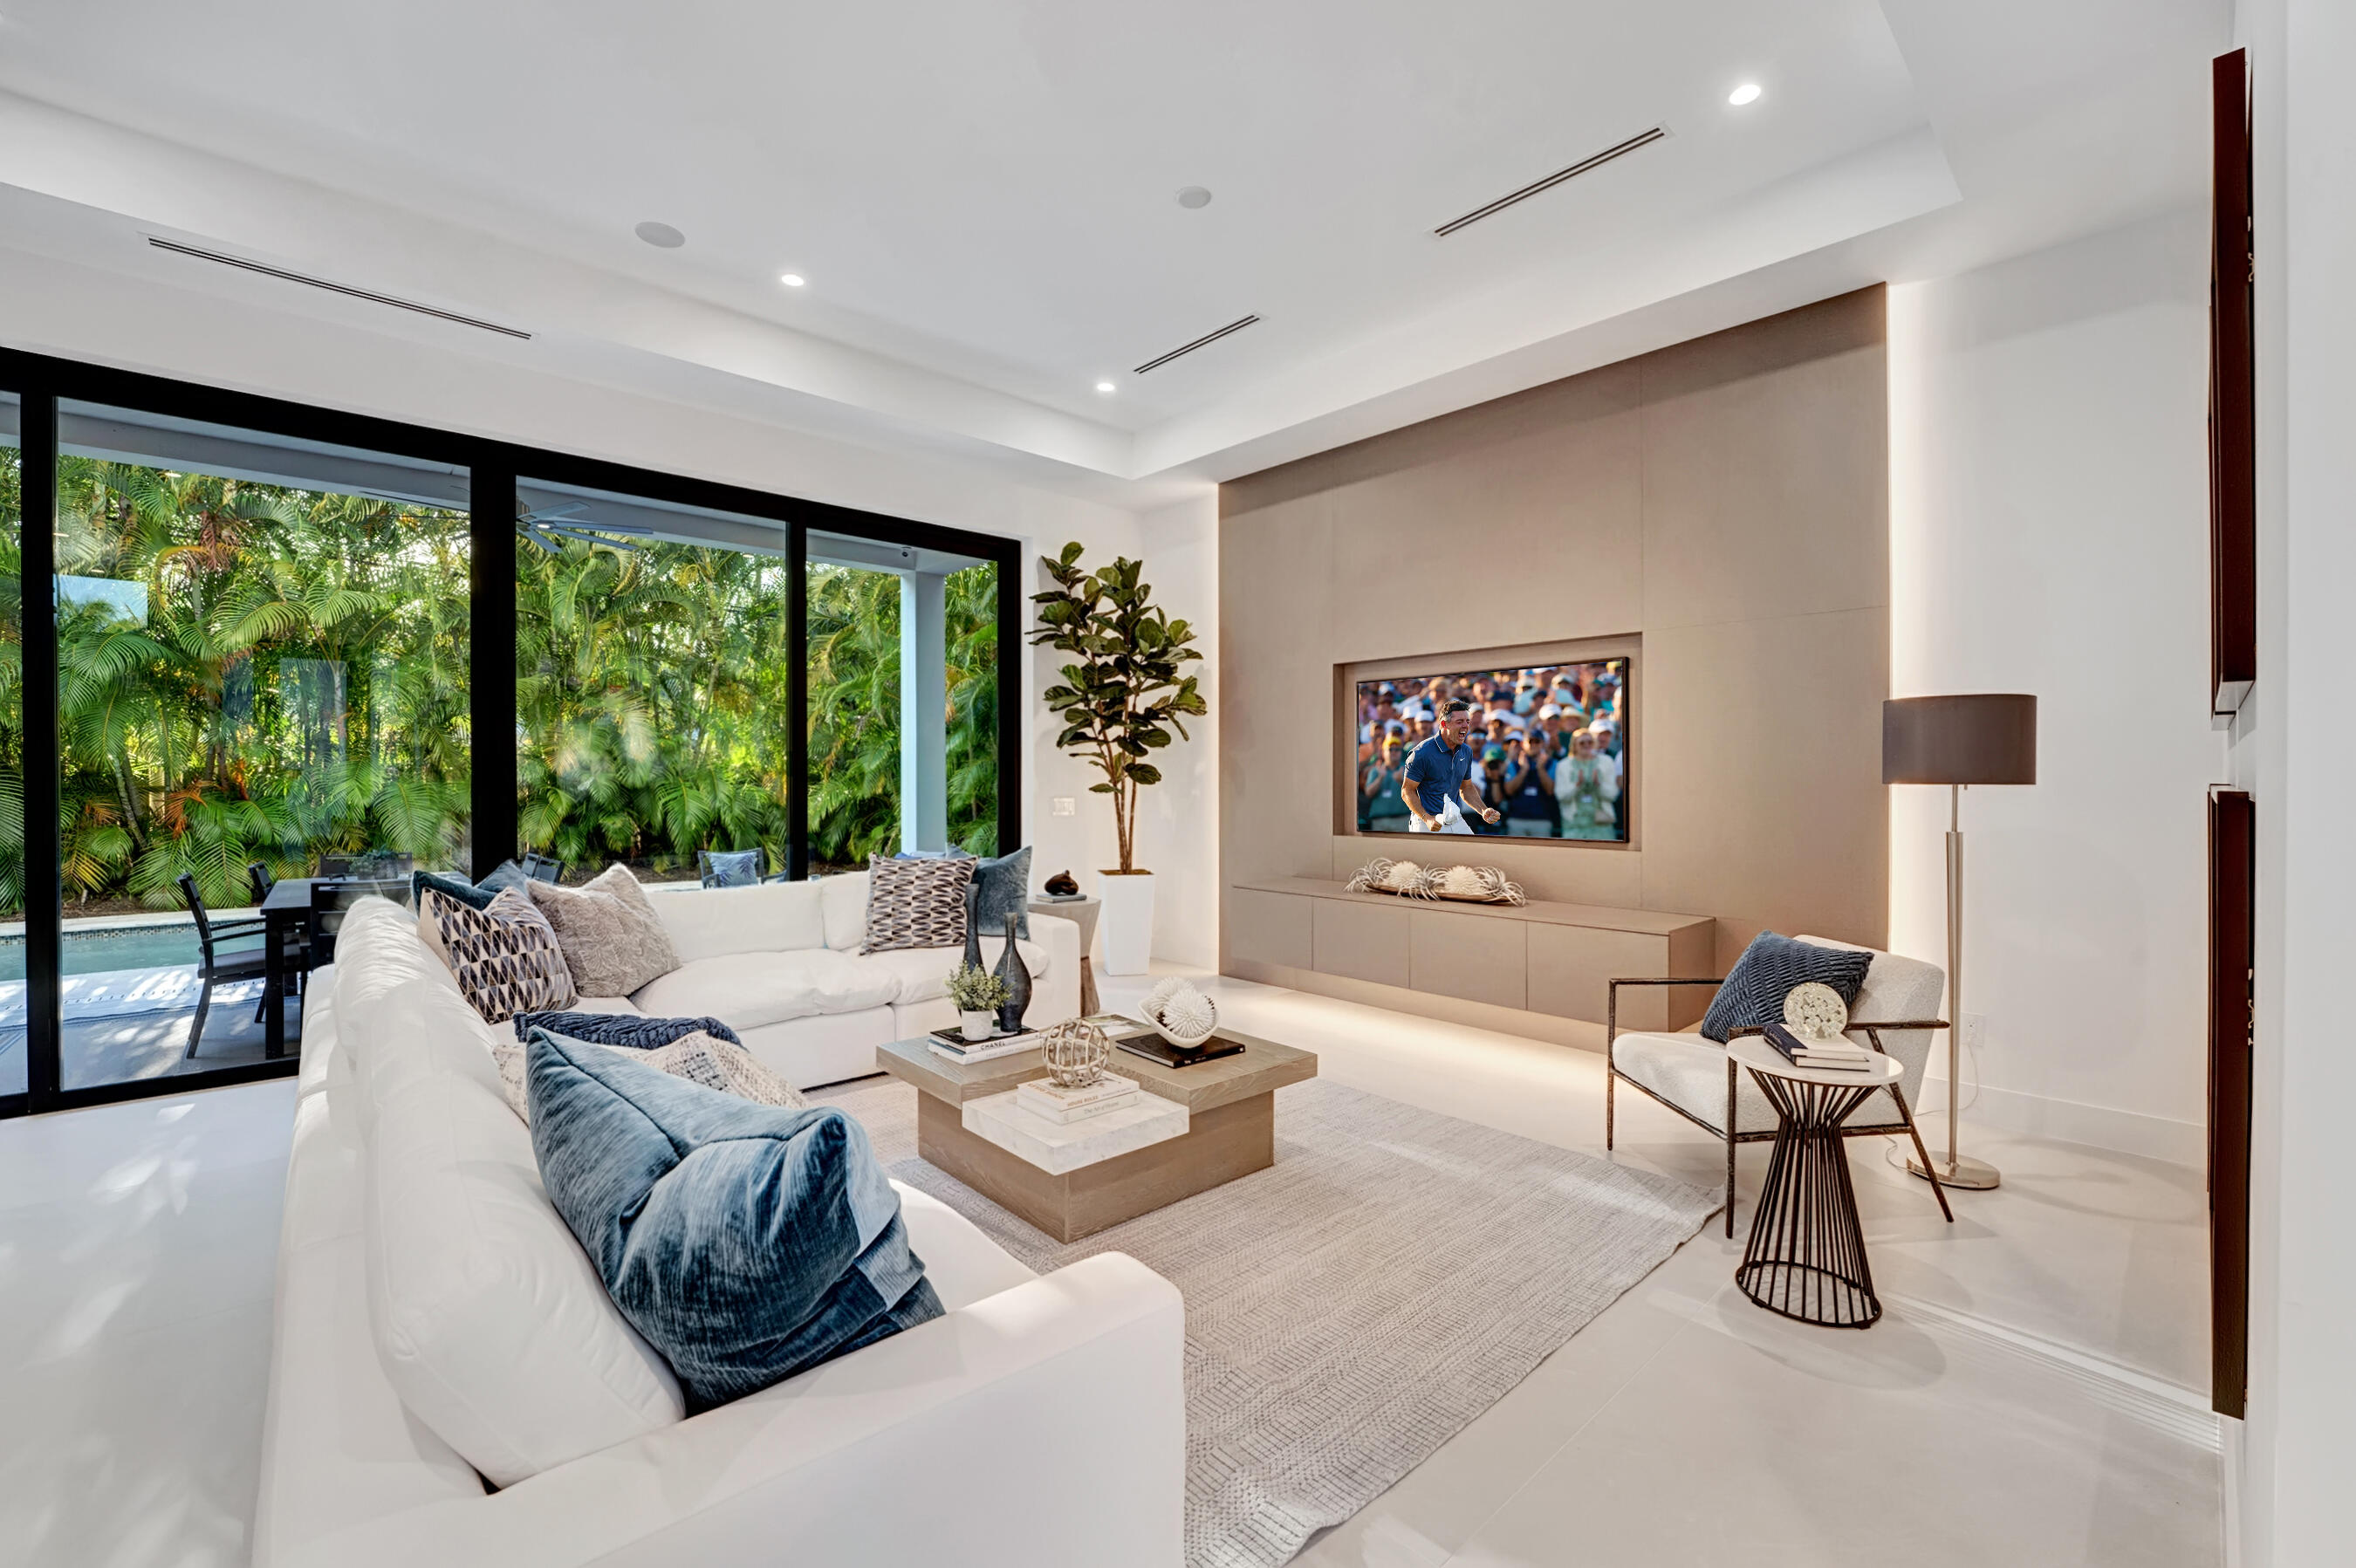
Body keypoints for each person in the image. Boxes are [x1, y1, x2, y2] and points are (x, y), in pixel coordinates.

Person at [1401, 699, 1500, 834]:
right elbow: (1407, 791)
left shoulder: (1466, 751)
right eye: (1459, 722)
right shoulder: (1422, 753)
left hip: (1455, 819)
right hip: (1426, 822)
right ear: (1444, 724)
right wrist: (1427, 818)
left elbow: (1466, 788)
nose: (1465, 726)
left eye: (1467, 721)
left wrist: (1483, 810)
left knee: (1473, 854)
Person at [1554, 725, 1622, 839]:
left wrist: (1598, 785)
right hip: (1574, 826)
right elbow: (1561, 795)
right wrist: (1576, 786)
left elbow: (1613, 794)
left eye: (1590, 742)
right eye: (1582, 743)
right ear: (1574, 746)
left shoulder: (1606, 762)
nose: (1586, 745)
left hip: (1602, 825)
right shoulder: (1563, 765)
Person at [1501, 736, 1558, 836]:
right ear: (1523, 744)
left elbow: (1550, 790)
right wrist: (1523, 770)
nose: (1533, 745)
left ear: (1543, 744)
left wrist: (1541, 769)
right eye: (1530, 742)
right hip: (1517, 819)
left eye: (1537, 742)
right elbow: (1509, 790)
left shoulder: (1552, 763)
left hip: (1542, 819)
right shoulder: (1514, 764)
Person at [1362, 736, 1413, 834]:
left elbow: (1417, 793)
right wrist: (1380, 778)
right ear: (1383, 752)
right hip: (1379, 821)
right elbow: (1368, 793)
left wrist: (1402, 781)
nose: (1394, 752)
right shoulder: (1376, 771)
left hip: (1402, 820)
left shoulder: (1408, 769)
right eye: (1390, 749)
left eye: (1397, 749)